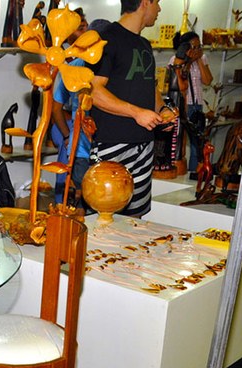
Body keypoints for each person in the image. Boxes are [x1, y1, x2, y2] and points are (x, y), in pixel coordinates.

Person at [88, 0, 168, 218]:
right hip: (111, 144)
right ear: (145, 3)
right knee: (103, 216)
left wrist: (163, 109)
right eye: (157, 2)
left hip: (144, 143)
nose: (159, 9)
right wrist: (136, 112)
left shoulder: (144, 44)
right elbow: (93, 91)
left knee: (135, 218)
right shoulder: (105, 39)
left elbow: (150, 87)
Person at [51, 17, 110, 210]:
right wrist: (67, 136)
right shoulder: (81, 67)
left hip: (84, 149)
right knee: (96, 204)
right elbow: (56, 108)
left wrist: (67, 137)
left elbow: (56, 107)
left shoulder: (74, 66)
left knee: (87, 204)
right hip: (97, 148)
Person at [50, 8, 88, 204]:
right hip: (66, 125)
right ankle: (61, 205)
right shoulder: (63, 59)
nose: (85, 32)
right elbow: (55, 106)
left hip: (81, 126)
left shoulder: (88, 61)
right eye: (80, 28)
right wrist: (68, 134)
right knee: (66, 166)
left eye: (86, 27)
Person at [169, 31, 213, 175]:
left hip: (197, 104)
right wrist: (187, 61)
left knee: (197, 142)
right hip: (183, 105)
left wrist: (199, 60)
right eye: (194, 47)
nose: (197, 50)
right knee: (180, 141)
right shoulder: (176, 59)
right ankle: (180, 172)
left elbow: (207, 80)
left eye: (199, 46)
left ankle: (195, 172)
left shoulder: (203, 59)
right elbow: (177, 82)